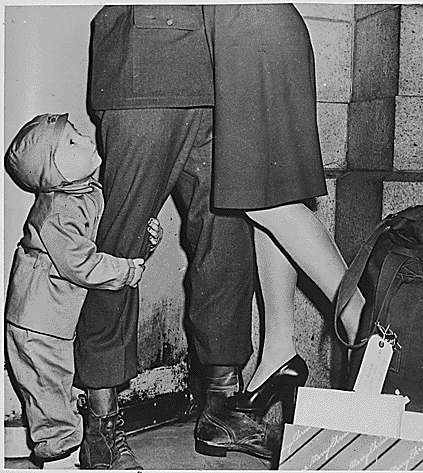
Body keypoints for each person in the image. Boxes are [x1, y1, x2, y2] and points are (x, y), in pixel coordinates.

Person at [74, 5, 274, 469]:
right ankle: (100, 426)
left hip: (224, 76)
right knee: (116, 251)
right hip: (145, 66)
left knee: (228, 241)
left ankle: (222, 408)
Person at [195, 4, 366, 455]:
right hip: (247, 32)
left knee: (264, 197)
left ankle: (361, 315)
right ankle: (279, 352)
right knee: (266, 197)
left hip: (249, 31)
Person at [4, 113, 162, 468]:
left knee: (54, 391)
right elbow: (82, 264)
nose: (87, 142)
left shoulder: (88, 191)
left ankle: (67, 447)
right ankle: (57, 457)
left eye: (79, 134)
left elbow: (105, 239)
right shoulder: (57, 212)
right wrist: (126, 271)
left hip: (53, 320)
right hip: (36, 324)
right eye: (72, 143)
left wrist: (146, 242)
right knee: (50, 399)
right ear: (53, 172)